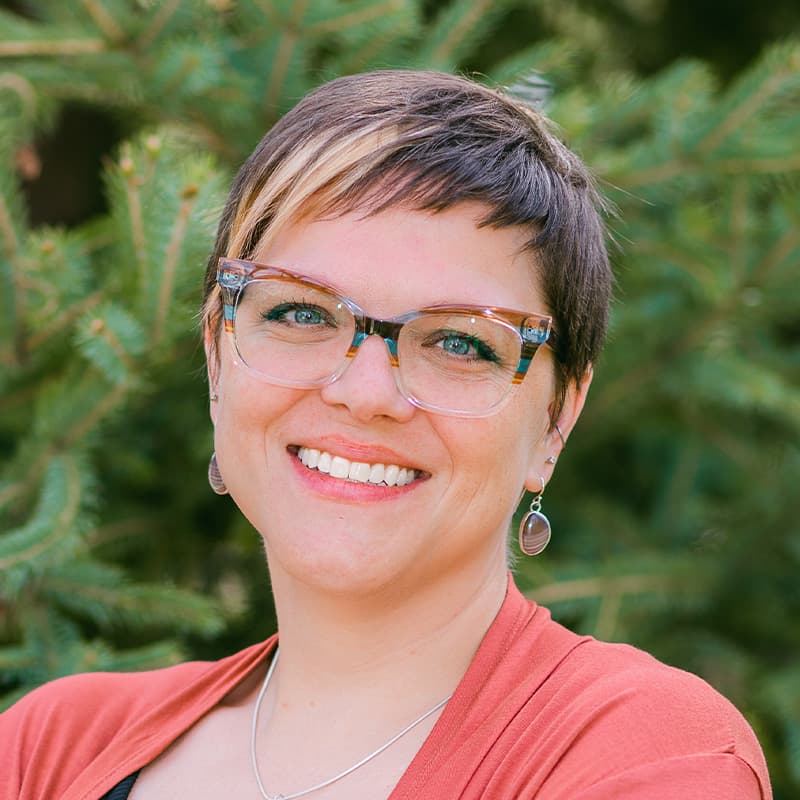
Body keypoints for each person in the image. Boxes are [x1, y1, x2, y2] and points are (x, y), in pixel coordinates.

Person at [0, 70, 770, 800]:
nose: (365, 393)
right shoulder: (50, 748)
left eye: (461, 342)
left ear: (556, 417)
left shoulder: (642, 752)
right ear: (217, 360)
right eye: (299, 313)